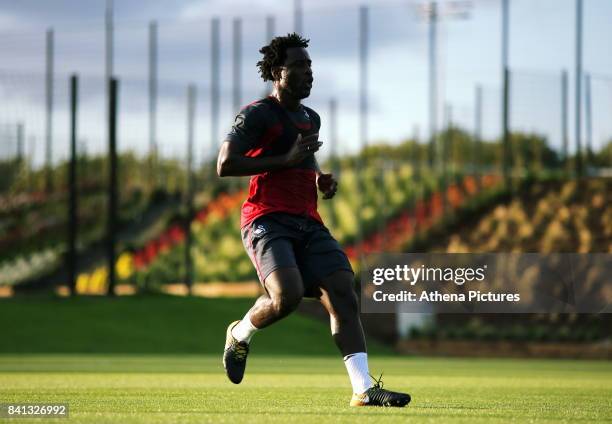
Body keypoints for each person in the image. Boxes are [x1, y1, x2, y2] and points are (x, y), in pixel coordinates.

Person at [217, 33, 410, 408]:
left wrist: (317, 175)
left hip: (307, 220)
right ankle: (239, 336)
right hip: (266, 219)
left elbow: (303, 156)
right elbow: (225, 164)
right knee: (286, 297)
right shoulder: (258, 114)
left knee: (343, 290)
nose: (309, 73)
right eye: (299, 66)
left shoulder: (310, 117)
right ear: (277, 72)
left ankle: (363, 390)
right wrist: (284, 161)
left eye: (310, 66)